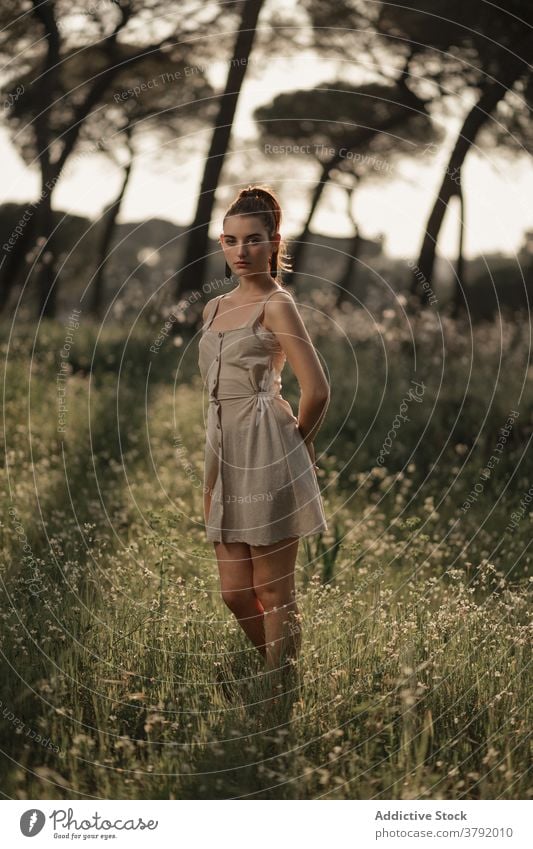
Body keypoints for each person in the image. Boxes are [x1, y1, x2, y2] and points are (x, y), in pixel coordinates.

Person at [197, 185, 330, 695]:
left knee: (274, 588)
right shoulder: (212, 308)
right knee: (234, 592)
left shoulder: (278, 304)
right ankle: (273, 669)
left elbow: (316, 388)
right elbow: (212, 394)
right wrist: (209, 468)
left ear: (274, 242)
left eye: (252, 240)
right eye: (230, 240)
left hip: (269, 444)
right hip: (221, 449)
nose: (240, 251)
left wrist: (296, 442)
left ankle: (278, 689)